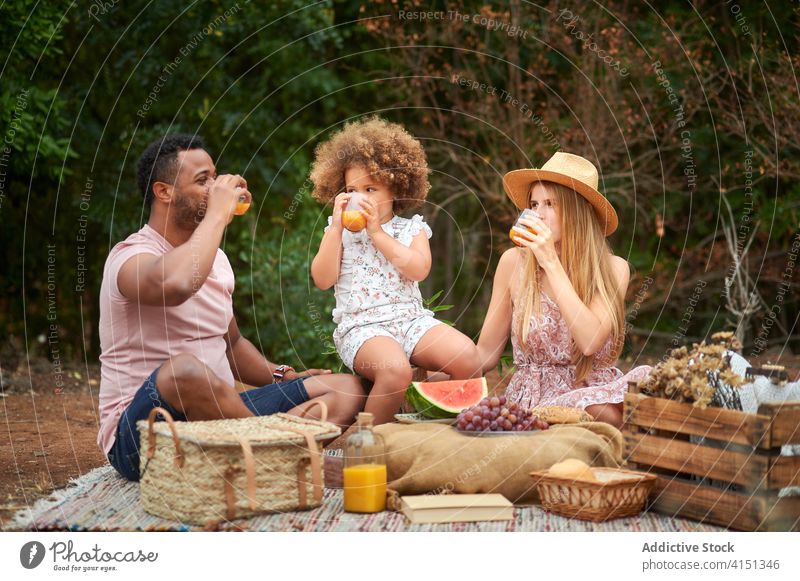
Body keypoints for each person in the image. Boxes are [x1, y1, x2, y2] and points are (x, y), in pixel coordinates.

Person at [98, 134, 364, 481]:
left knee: (347, 390)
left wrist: (282, 375)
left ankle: (259, 456)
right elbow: (177, 284)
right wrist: (217, 216)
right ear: (164, 192)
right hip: (145, 431)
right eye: (202, 180)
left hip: (222, 418)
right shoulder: (129, 257)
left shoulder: (217, 259)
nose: (215, 187)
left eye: (215, 177)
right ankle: (277, 458)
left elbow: (232, 343)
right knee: (185, 373)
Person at [309, 117, 480, 424]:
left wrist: (377, 233)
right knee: (395, 369)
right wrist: (335, 228)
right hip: (362, 329)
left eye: (370, 188)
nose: (361, 197)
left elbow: (418, 270)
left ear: (396, 188)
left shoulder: (411, 229)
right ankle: (366, 444)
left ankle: (453, 433)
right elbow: (322, 280)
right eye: (352, 189)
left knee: (467, 356)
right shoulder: (339, 233)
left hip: (410, 321)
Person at [476, 152, 652, 427]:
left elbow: (590, 340)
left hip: (592, 400)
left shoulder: (613, 268)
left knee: (611, 411)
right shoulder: (513, 263)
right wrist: (440, 362)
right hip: (532, 402)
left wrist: (550, 262)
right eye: (533, 204)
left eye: (550, 204)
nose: (538, 214)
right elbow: (485, 352)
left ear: (577, 212)